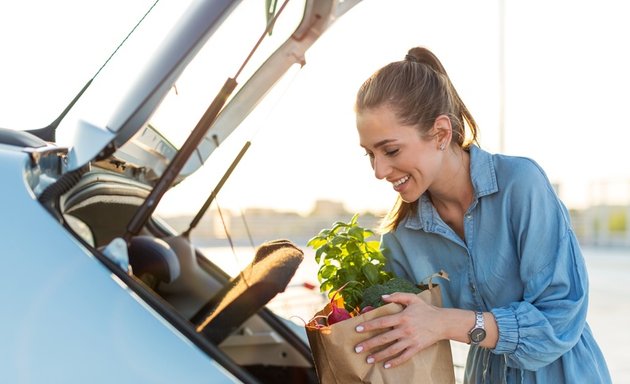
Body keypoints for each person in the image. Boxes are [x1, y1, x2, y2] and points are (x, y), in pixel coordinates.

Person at [351, 46, 611, 383]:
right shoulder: (401, 237)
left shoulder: (520, 185)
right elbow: (403, 338)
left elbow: (558, 323)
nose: (379, 170)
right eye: (369, 154)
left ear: (442, 133)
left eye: (390, 150)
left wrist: (445, 322)